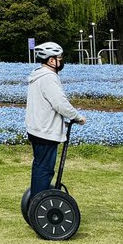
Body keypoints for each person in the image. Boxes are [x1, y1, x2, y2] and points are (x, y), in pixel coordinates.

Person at [25, 42, 86, 198]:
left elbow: (44, 104)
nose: (61, 60)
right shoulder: (49, 77)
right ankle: (38, 203)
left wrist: (61, 121)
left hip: (36, 128)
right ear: (51, 61)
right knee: (45, 169)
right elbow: (60, 103)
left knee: (39, 166)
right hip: (45, 132)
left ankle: (36, 201)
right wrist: (77, 117)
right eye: (59, 57)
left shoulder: (37, 74)